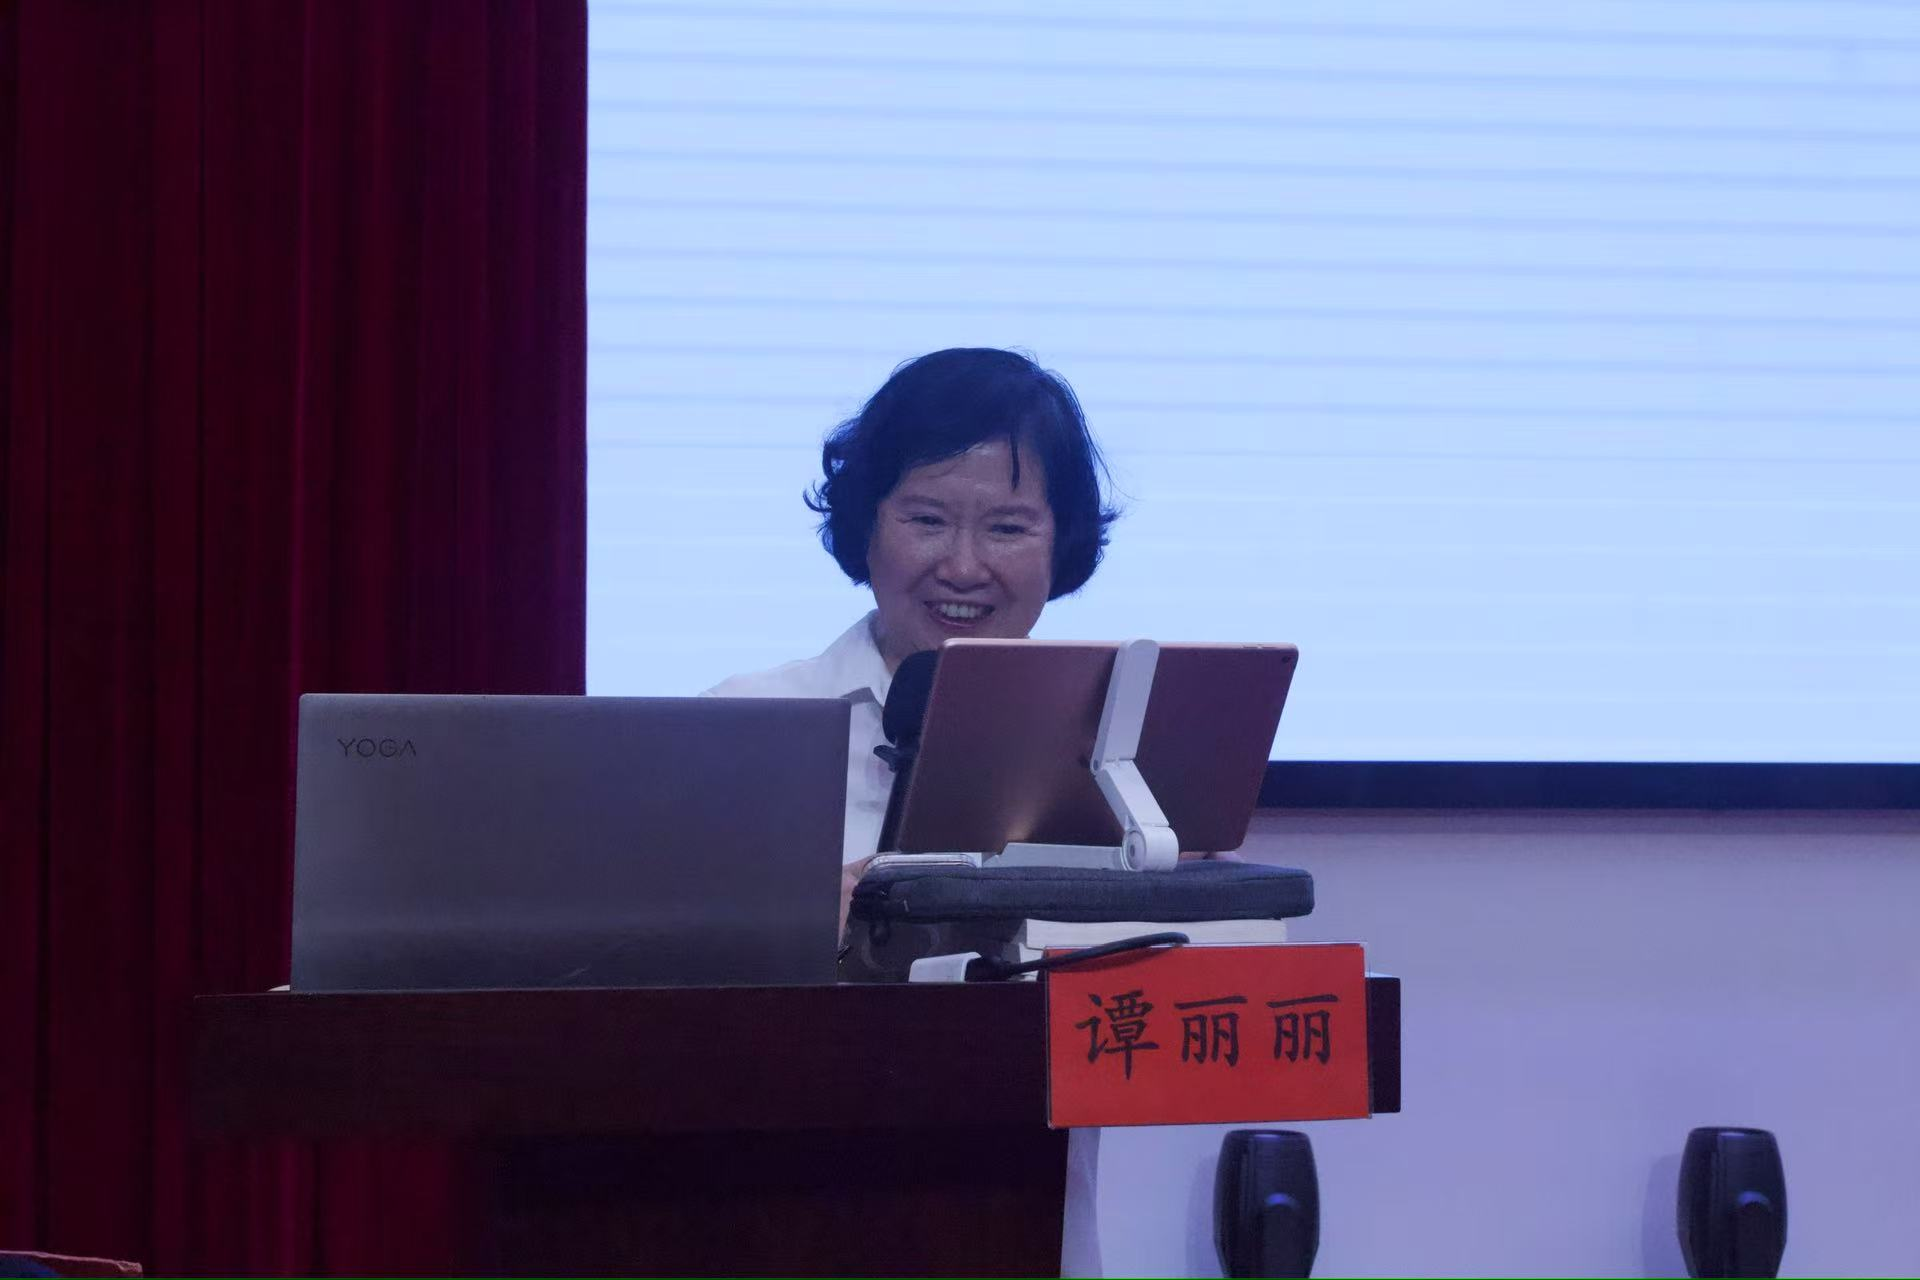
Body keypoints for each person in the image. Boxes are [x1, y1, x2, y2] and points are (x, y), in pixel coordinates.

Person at [704, 347, 1119, 923]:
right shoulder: (737, 727)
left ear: (1062, 542)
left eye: (1006, 528)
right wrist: (791, 928)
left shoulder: (1120, 747)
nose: (963, 568)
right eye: (927, 520)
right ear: (865, 525)